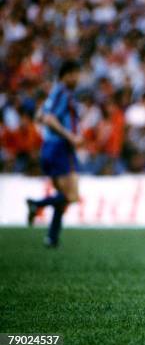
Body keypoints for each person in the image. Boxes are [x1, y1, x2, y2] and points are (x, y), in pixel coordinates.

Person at [26, 60, 83, 248]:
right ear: (65, 75)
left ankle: (52, 237)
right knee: (72, 195)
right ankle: (38, 204)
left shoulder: (54, 93)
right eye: (75, 74)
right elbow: (48, 119)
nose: (77, 78)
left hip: (50, 146)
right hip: (60, 147)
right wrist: (71, 137)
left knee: (62, 195)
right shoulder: (63, 93)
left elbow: (40, 116)